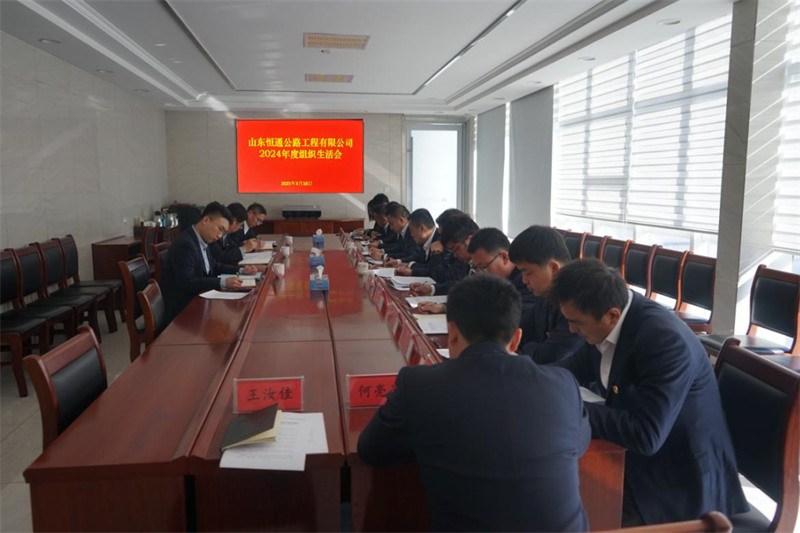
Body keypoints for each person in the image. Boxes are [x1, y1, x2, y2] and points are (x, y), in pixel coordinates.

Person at [358, 274, 591, 532]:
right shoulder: (563, 385)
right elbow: (577, 445)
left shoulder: (419, 386)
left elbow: (372, 450)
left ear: (452, 333)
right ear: (516, 339)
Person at [549, 259, 748, 525]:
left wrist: (569, 406)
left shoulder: (664, 341)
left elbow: (646, 435)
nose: (572, 330)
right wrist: (536, 383)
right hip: (642, 463)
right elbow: (572, 368)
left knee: (575, 512)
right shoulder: (610, 318)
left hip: (679, 485)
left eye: (577, 323)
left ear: (612, 316)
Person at [417, 228, 539, 347]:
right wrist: (443, 307)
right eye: (476, 268)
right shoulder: (496, 279)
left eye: (483, 267)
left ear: (504, 257)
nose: (480, 273)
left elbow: (511, 321)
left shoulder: (526, 282)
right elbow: (475, 300)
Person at [160, 202, 258, 321]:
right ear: (206, 220)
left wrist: (241, 270)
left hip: (200, 299)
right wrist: (223, 282)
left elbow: (214, 266)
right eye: (220, 229)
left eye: (224, 232)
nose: (220, 236)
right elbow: (187, 282)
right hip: (184, 311)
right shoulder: (185, 244)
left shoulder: (201, 239)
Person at [507, 225, 584, 364]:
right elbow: (519, 332)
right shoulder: (545, 294)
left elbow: (549, 357)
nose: (524, 280)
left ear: (553, 268)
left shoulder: (579, 301)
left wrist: (529, 347)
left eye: (528, 273)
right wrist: (534, 346)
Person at [409, 214, 476, 297]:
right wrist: (431, 289)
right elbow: (459, 285)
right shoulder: (467, 260)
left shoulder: (483, 263)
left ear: (469, 240)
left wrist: (436, 254)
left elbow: (443, 277)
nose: (455, 255)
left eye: (455, 248)